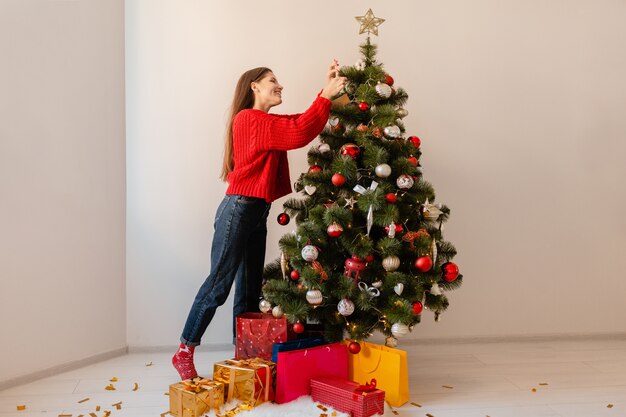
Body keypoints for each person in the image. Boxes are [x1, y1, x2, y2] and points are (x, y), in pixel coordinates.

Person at [172, 62, 346, 380]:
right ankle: (184, 350)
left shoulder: (262, 121)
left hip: (255, 212)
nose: (279, 85)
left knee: (249, 291)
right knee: (218, 286)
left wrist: (326, 92)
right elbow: (298, 132)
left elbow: (295, 122)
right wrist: (325, 97)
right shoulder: (249, 119)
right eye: (272, 81)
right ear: (254, 86)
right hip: (239, 210)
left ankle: (245, 354)